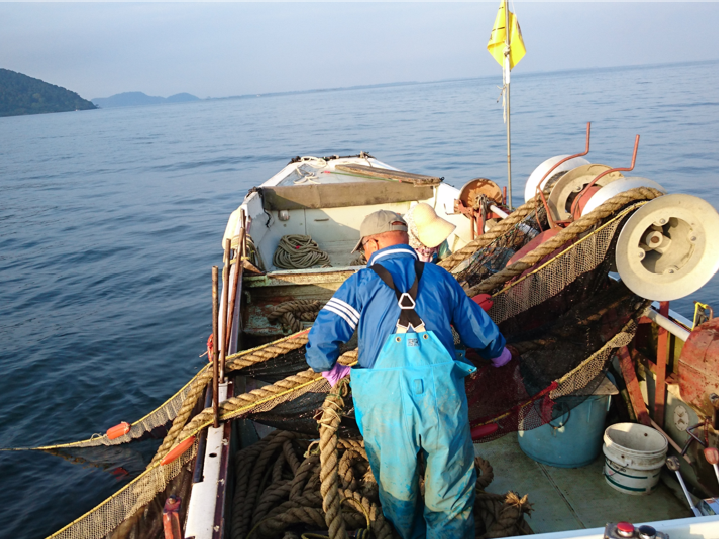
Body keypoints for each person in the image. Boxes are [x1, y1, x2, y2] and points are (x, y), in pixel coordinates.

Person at [305, 210, 512, 539]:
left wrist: (332, 370)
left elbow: (320, 342)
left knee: (396, 483)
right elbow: (477, 328)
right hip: (441, 395)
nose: (365, 254)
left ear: (372, 242)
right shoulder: (440, 277)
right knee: (450, 480)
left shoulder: (361, 282)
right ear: (405, 239)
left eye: (364, 248)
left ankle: (404, 533)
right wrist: (500, 354)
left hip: (384, 401)